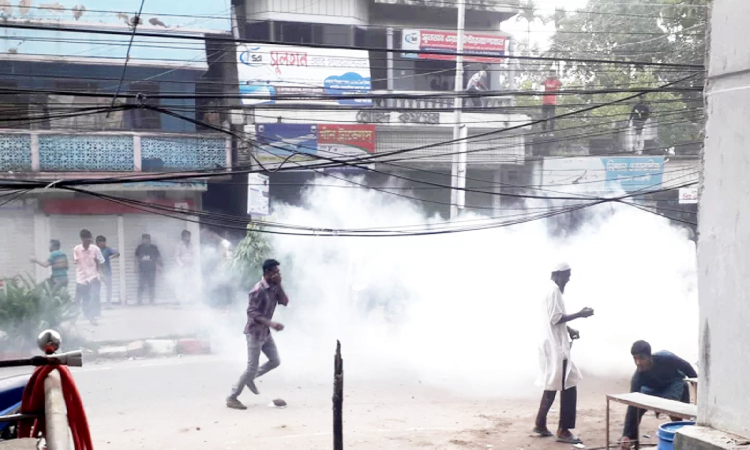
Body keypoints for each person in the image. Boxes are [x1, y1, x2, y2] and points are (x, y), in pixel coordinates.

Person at [534, 262, 595, 445]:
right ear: (557, 274)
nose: (568, 279)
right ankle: (563, 430)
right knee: (567, 384)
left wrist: (568, 329)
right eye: (567, 275)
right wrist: (580, 314)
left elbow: (553, 318)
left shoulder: (549, 290)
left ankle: (540, 423)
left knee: (555, 383)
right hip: (555, 347)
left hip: (551, 343)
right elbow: (555, 318)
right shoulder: (553, 291)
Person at [226, 259, 289, 410]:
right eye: (275, 272)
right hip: (254, 333)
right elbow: (252, 313)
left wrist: (279, 284)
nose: (278, 274)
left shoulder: (274, 287)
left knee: (275, 361)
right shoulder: (257, 290)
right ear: (267, 272)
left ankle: (250, 378)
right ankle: (232, 397)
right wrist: (271, 324)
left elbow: (285, 302)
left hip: (265, 333)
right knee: (251, 367)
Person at [620, 341, 698, 449]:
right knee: (636, 409)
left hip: (673, 385)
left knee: (675, 412)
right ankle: (632, 441)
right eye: (635, 359)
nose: (638, 362)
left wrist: (698, 389)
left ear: (650, 357)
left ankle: (679, 441)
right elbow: (631, 406)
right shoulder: (637, 377)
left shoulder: (667, 358)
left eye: (641, 358)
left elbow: (688, 369)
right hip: (652, 390)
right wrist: (626, 435)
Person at [73, 229, 105, 325]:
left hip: (94, 276)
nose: (88, 243)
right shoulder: (76, 249)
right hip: (81, 277)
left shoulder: (95, 249)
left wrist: (101, 274)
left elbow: (100, 262)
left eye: (89, 241)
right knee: (78, 299)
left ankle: (92, 318)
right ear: (82, 240)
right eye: (86, 241)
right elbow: (76, 262)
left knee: (94, 296)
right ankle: (73, 318)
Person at [135, 234, 161, 305]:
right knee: (141, 286)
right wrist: (136, 268)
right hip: (142, 270)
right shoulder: (139, 248)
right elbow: (136, 258)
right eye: (143, 239)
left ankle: (152, 301)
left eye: (145, 239)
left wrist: (160, 267)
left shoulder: (153, 248)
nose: (144, 241)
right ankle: (139, 301)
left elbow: (158, 258)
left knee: (151, 286)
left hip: (151, 270)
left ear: (149, 239)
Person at [96, 235, 120, 307]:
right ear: (97, 243)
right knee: (96, 288)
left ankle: (108, 303)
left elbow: (117, 253)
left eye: (104, 242)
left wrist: (112, 257)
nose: (103, 244)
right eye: (101, 242)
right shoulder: (95, 250)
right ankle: (97, 304)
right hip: (97, 272)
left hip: (107, 272)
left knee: (109, 288)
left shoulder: (107, 249)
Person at [175, 230, 195, 305]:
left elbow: (192, 254)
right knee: (180, 283)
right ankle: (179, 299)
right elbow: (176, 256)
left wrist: (192, 263)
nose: (188, 237)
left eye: (189, 236)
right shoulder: (179, 245)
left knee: (189, 283)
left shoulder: (191, 245)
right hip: (181, 267)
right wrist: (181, 264)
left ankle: (188, 299)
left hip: (190, 266)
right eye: (186, 236)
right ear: (183, 236)